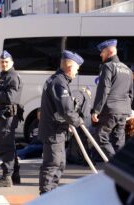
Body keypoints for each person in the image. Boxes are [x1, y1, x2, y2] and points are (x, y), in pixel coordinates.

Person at [38, 50, 84, 194]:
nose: (76, 73)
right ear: (70, 68)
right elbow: (66, 110)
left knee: (60, 164)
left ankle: (51, 195)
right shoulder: (59, 82)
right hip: (53, 131)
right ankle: (45, 198)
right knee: (52, 165)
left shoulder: (58, 80)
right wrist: (79, 122)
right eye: (77, 69)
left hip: (57, 130)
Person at [91, 39, 133, 160]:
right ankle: (122, 169)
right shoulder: (127, 69)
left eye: (102, 52)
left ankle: (115, 164)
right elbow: (131, 93)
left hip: (110, 110)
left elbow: (104, 89)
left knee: (101, 136)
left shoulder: (107, 67)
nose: (100, 54)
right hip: (123, 111)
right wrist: (126, 108)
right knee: (119, 141)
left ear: (109, 52)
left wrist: (96, 110)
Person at [0, 50, 23, 187]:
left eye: (6, 62)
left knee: (6, 146)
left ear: (12, 62)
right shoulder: (4, 76)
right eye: (2, 62)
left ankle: (6, 176)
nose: (4, 64)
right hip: (3, 115)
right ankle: (14, 175)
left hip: (8, 116)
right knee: (9, 145)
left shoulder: (12, 76)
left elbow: (10, 98)